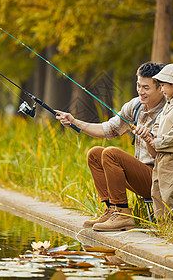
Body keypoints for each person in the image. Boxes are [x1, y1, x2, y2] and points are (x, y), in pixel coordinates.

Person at [56, 62, 167, 231]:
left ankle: (124, 214)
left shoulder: (169, 111)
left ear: (161, 88)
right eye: (138, 85)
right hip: (139, 173)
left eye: (146, 87)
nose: (140, 91)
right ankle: (112, 210)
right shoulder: (135, 106)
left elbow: (162, 152)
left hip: (159, 180)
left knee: (111, 153)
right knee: (95, 154)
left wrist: (149, 138)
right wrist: (73, 121)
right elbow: (106, 129)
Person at [133, 64, 173, 222]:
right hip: (162, 158)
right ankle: (162, 226)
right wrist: (150, 136)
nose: (161, 89)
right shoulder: (170, 104)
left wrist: (158, 143)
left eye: (163, 85)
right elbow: (158, 125)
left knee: (172, 195)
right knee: (157, 192)